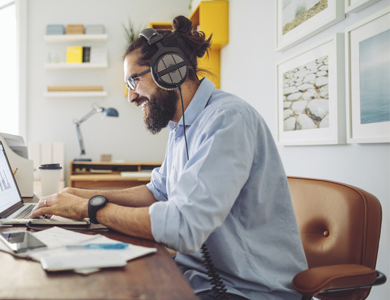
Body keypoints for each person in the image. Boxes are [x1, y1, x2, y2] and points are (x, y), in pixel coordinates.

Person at [30, 15, 308, 300]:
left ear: (169, 69)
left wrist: (88, 208)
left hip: (247, 291)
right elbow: (157, 192)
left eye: (133, 81)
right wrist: (80, 194)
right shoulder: (182, 126)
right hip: (196, 278)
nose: (130, 97)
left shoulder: (227, 120)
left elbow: (183, 226)